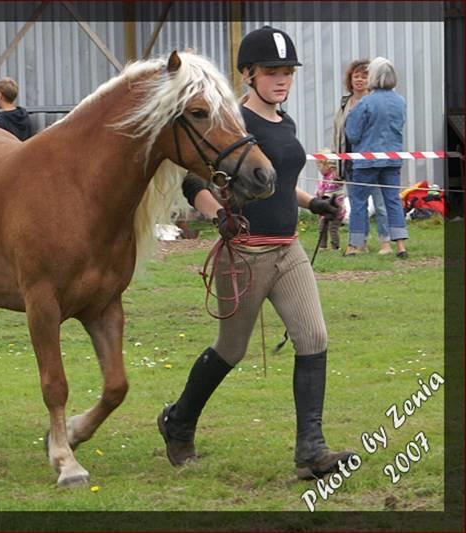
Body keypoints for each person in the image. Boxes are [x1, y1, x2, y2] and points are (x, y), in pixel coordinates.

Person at [156, 26, 353, 480]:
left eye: (287, 72)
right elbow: (193, 180)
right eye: (271, 72)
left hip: (288, 251)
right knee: (231, 349)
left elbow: (277, 182)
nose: (281, 80)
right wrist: (214, 214)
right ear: (248, 74)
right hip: (243, 253)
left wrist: (312, 202)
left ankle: (311, 450)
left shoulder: (286, 123)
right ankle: (178, 420)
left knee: (314, 338)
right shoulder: (231, 123)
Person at [345, 57, 408, 258]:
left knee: (359, 201)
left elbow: (353, 133)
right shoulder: (400, 101)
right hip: (393, 158)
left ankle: (354, 245)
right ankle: (400, 246)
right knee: (392, 200)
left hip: (367, 160)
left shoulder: (366, 102)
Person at [334, 59, 391, 255]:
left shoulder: (375, 101)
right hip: (349, 161)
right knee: (358, 205)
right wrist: (338, 163)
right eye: (356, 76)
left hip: (372, 161)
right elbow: (339, 134)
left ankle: (386, 242)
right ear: (350, 79)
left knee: (380, 203)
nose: (359, 79)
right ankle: (359, 243)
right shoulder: (344, 103)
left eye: (364, 76)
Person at [315, 153, 345, 250]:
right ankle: (322, 246)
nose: (319, 169)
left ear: (328, 166)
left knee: (333, 228)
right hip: (325, 206)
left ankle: (335, 247)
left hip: (336, 208)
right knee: (322, 227)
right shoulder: (323, 179)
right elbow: (320, 190)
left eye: (320, 166)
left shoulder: (334, 176)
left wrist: (336, 175)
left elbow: (339, 181)